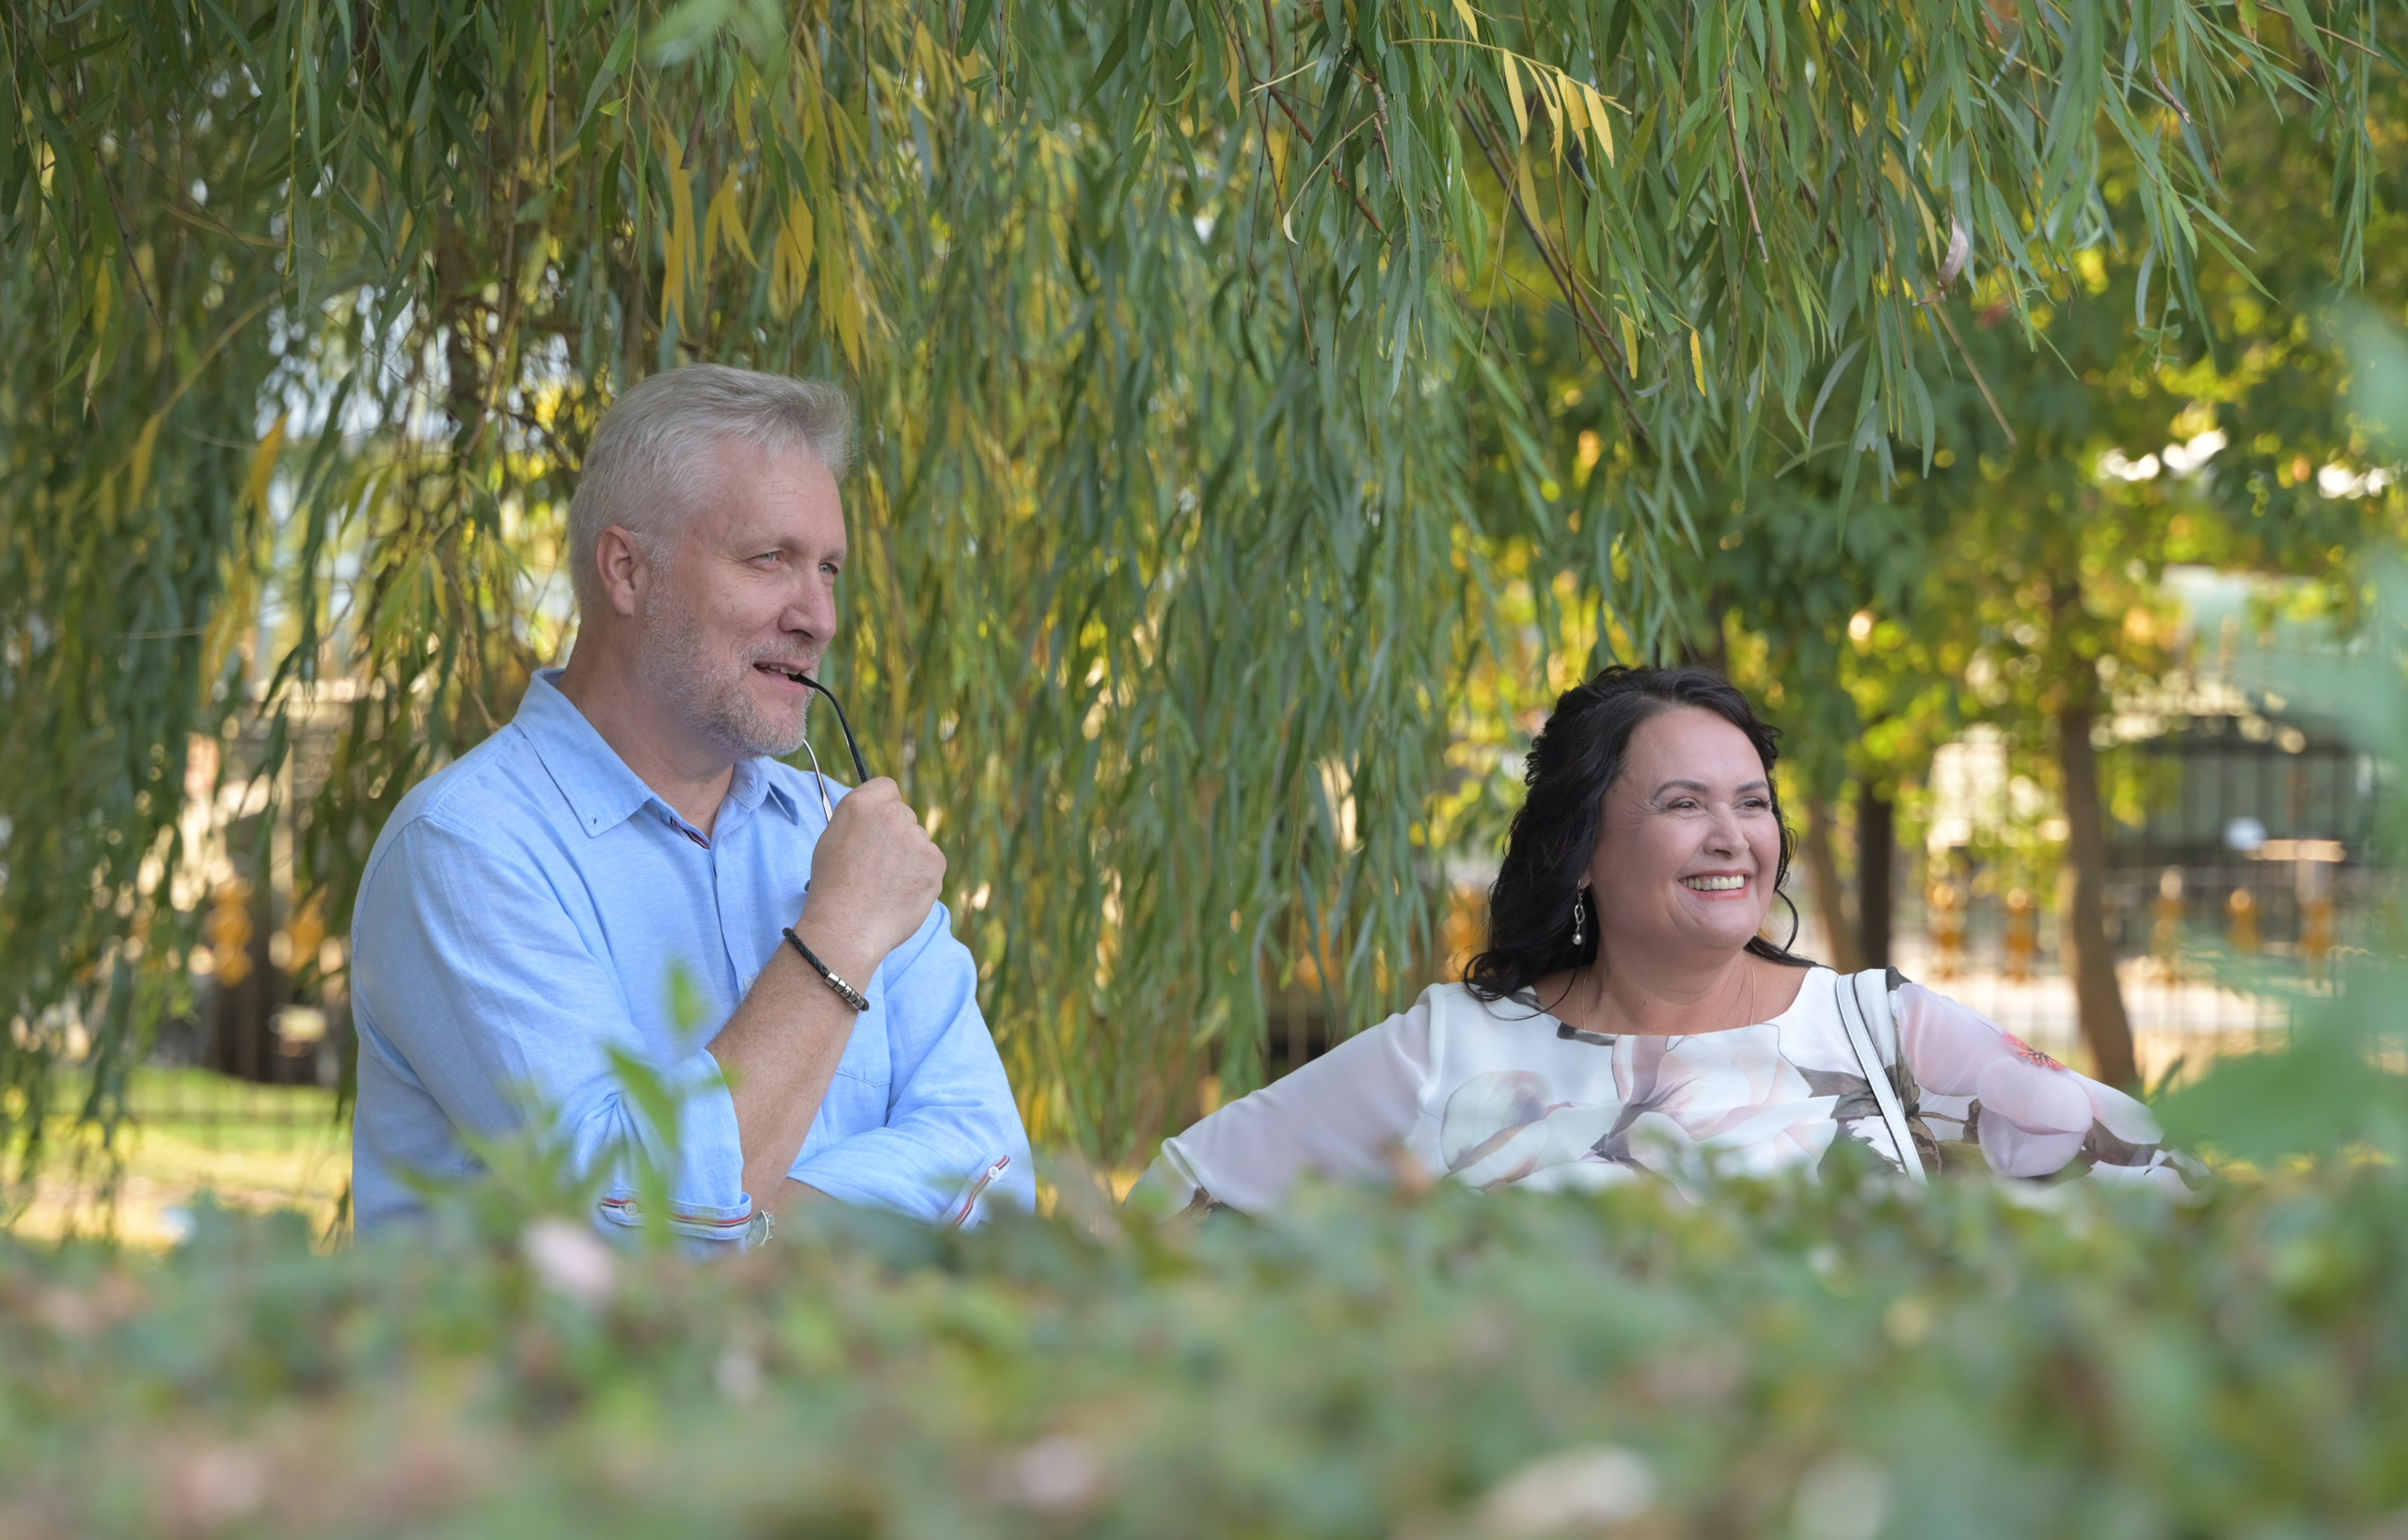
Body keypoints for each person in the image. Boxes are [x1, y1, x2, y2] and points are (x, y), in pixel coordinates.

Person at [351, 365, 1032, 1244]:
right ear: (628, 571)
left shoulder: (842, 834)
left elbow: (998, 1178)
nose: (819, 616)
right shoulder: (467, 850)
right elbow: (633, 1228)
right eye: (770, 559)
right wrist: (839, 938)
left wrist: (754, 1226)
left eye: (829, 568)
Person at [1142, 666, 2193, 1213]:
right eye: (1684, 803)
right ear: (1584, 847)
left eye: (1751, 802)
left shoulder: (1881, 1030)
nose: (1733, 836)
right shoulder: (1448, 1048)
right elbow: (1189, 1193)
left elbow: (2159, 1171)